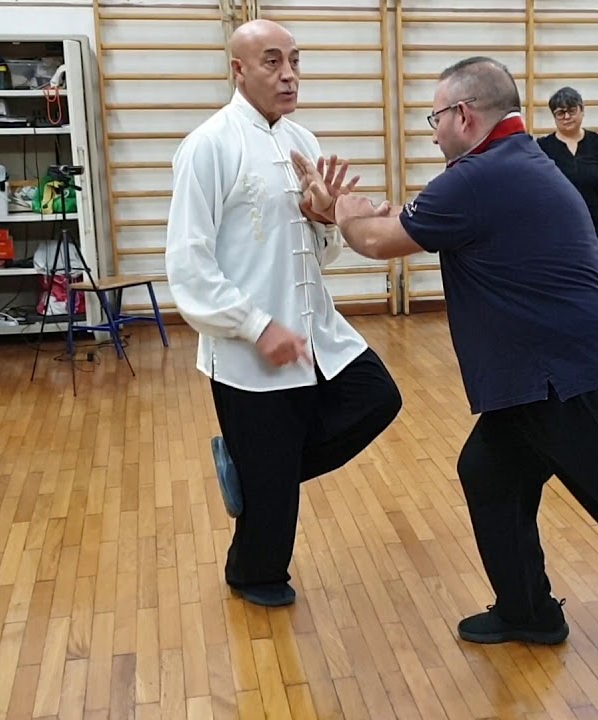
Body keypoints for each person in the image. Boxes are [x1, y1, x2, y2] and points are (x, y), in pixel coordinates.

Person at [330, 56, 598, 720]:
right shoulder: (510, 162)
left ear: (464, 116)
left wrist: (341, 210)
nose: (432, 130)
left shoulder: (482, 176)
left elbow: (378, 240)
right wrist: (358, 214)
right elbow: (413, 222)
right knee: (487, 471)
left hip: (575, 383)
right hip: (543, 382)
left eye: (435, 118)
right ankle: (529, 612)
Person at [164, 19, 402, 607]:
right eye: (272, 61)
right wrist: (255, 325)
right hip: (249, 347)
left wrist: (326, 221)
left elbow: (318, 255)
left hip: (317, 329)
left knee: (378, 398)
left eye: (295, 60)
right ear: (238, 70)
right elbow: (189, 264)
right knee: (271, 512)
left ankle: (255, 471)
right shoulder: (208, 146)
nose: (289, 74)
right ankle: (253, 573)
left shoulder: (303, 141)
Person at [536, 87, 598, 273]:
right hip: (557, 226)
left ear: (582, 110)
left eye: (571, 110)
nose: (566, 117)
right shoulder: (542, 148)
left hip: (592, 223)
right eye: (560, 113)